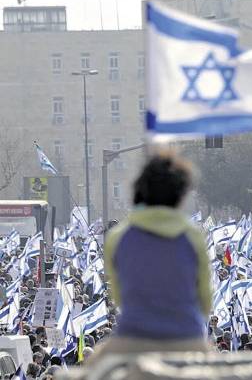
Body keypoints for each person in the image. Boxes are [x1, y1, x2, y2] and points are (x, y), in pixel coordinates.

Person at [89, 151, 211, 362]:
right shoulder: (193, 236)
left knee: (91, 367)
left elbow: (119, 296)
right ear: (181, 195)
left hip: (133, 338)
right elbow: (205, 299)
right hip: (187, 339)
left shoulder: (117, 237)